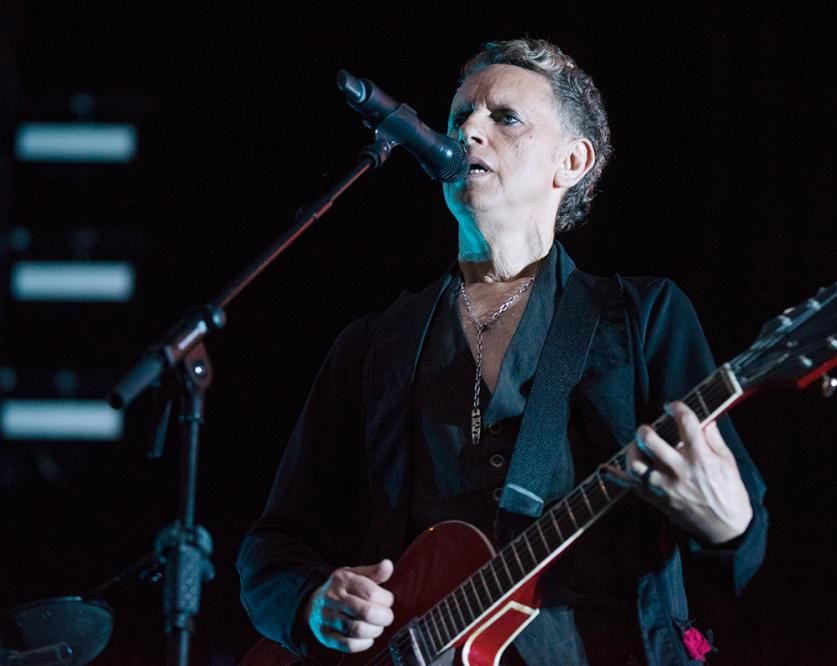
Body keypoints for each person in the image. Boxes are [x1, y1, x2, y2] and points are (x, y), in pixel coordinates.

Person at [237, 38, 767, 665]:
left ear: (571, 161)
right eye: (460, 117)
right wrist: (312, 602)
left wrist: (730, 525)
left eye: (505, 117)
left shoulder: (641, 319)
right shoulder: (374, 345)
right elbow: (274, 548)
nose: (468, 132)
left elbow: (739, 550)